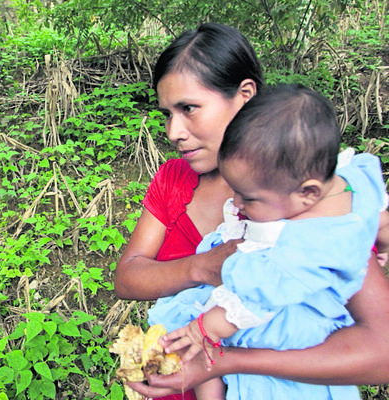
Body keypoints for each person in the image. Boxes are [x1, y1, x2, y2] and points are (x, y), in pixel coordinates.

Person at [113, 22, 389, 400]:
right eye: (167, 113)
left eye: (189, 108)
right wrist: (202, 266)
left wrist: (229, 360)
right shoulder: (172, 179)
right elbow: (127, 278)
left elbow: (381, 353)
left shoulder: (307, 202)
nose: (173, 130)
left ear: (244, 95)